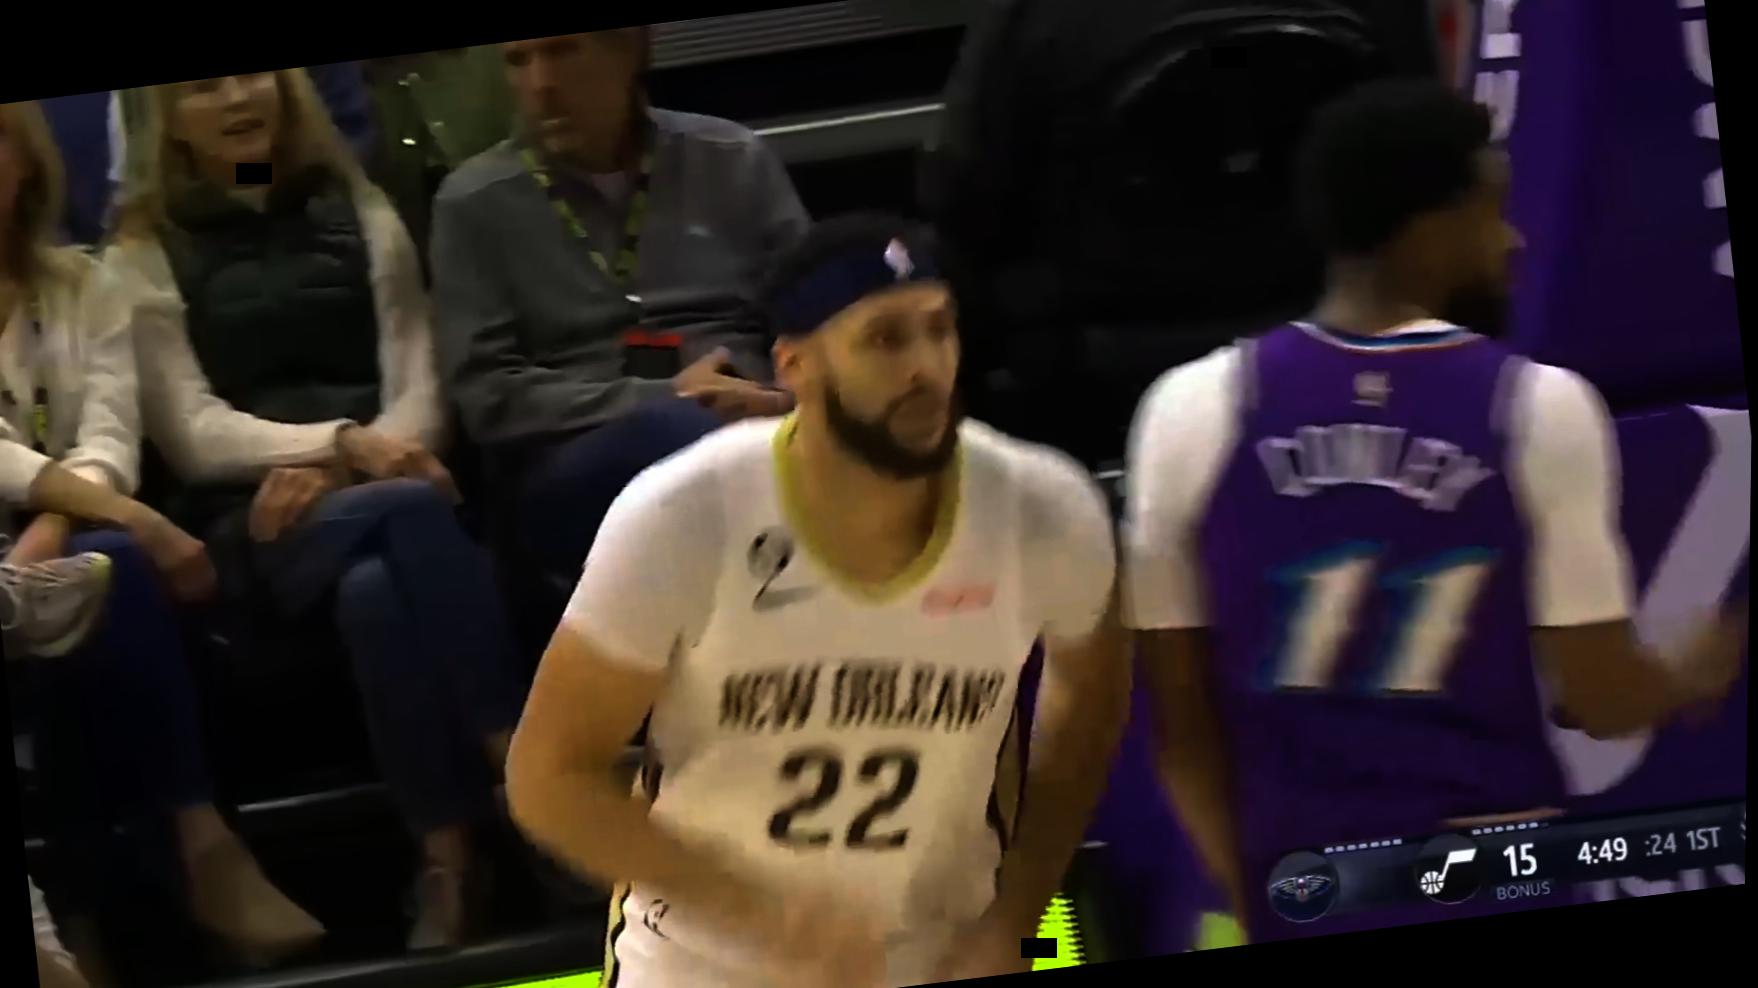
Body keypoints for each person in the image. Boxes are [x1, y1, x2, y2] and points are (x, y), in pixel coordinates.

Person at [1123, 80, 1747, 943]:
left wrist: (1257, 899)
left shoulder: (1187, 411)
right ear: (1429, 228)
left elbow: (1182, 738)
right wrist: (1688, 672)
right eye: (1491, 211)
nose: (1513, 240)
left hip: (1300, 886)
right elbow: (1602, 698)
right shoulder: (1538, 408)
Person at [504, 214, 1131, 988]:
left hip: (939, 952)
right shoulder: (684, 517)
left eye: (939, 330)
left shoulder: (1043, 510)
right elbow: (548, 778)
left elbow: (1091, 706)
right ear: (795, 365)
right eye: (885, 339)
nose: (926, 367)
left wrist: (1016, 913)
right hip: (702, 962)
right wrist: (757, 912)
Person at [103, 71, 528, 951]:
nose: (236, 99)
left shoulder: (360, 209)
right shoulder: (139, 251)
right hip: (250, 525)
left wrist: (355, 465)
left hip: (378, 498)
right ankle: (526, 772)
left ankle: (448, 863)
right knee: (406, 510)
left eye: (253, 75)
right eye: (204, 88)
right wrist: (343, 445)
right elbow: (192, 431)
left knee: (377, 590)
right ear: (169, 122)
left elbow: (420, 386)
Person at [2, 99, 324, 972]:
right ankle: (194, 842)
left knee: (94, 585)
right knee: (109, 573)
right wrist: (131, 517)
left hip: (60, 551)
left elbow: (111, 434)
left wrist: (59, 521)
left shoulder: (86, 283)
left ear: (26, 161)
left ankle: (96, 919)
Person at [430, 28, 808, 622]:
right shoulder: (474, 203)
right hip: (578, 456)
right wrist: (666, 396)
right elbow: (488, 395)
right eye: (518, 60)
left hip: (763, 416)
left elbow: (818, 318)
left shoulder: (729, 157)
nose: (540, 83)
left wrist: (785, 398)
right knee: (691, 437)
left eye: (562, 51)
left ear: (631, 51)